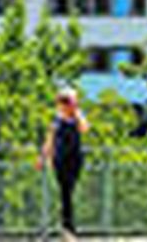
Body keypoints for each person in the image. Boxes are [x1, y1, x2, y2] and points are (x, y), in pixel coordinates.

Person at [39, 86, 88, 240]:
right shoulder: (57, 120)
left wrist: (77, 111)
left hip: (75, 158)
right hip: (60, 159)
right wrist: (43, 158)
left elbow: (85, 128)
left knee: (69, 190)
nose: (67, 104)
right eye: (65, 101)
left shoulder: (77, 118)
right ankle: (68, 227)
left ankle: (66, 224)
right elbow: (49, 140)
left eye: (70, 101)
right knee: (65, 191)